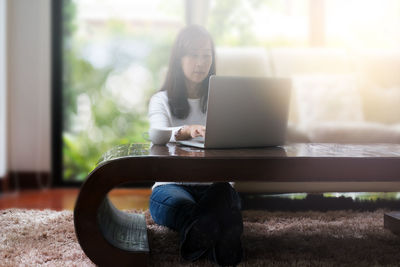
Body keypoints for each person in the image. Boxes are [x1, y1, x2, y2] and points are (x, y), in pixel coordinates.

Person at [148, 25, 244, 266]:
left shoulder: (225, 100)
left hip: (215, 186)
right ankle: (222, 236)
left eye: (206, 55)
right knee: (183, 206)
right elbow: (157, 134)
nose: (201, 62)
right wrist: (185, 130)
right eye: (193, 54)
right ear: (178, 58)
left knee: (224, 193)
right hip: (172, 185)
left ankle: (204, 232)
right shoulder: (161, 100)